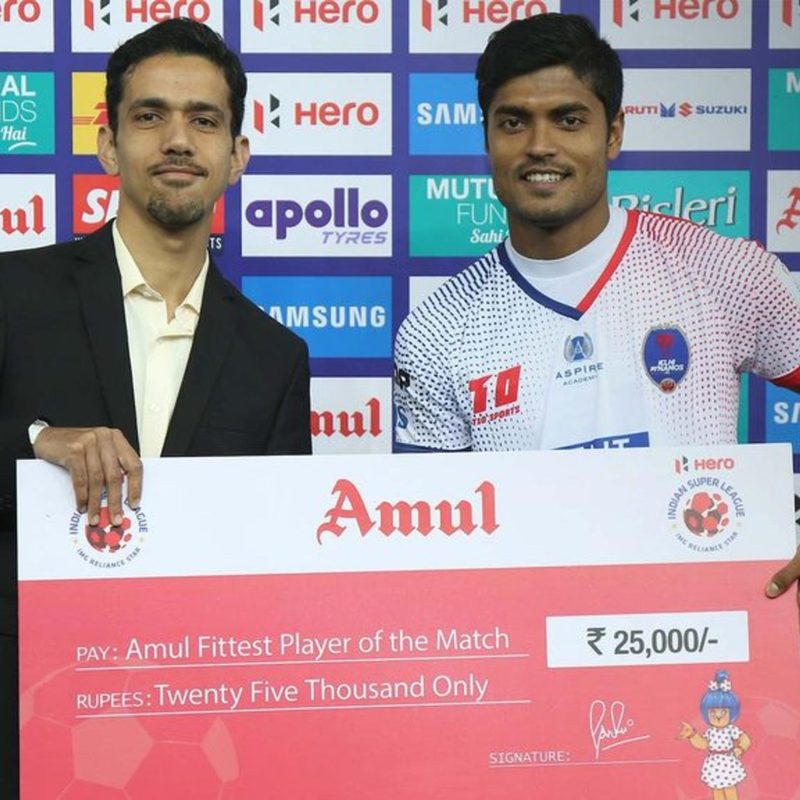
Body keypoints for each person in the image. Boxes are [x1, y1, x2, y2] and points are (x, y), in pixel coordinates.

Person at [0, 18, 311, 792]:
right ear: (109, 146)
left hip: (191, 734)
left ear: (236, 156)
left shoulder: (275, 358)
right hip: (21, 716)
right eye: (150, 116)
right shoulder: (12, 294)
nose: (178, 140)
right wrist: (35, 440)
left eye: (204, 120)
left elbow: (273, 570)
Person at [393, 16, 800, 596]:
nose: (540, 145)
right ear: (486, 138)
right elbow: (428, 534)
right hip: (525, 630)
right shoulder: (438, 327)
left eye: (569, 119)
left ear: (612, 134)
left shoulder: (718, 269)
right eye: (513, 122)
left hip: (705, 622)